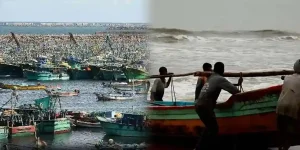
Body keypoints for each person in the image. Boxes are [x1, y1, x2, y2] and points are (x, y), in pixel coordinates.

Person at [194, 62, 240, 150]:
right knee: (214, 129)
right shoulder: (220, 79)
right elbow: (235, 91)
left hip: (198, 105)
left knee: (209, 128)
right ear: (222, 70)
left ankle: (199, 147)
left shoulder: (211, 77)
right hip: (205, 107)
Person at [276, 59, 300, 150]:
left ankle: (280, 147)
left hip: (280, 105)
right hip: (292, 107)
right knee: (290, 132)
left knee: (281, 130)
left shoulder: (287, 78)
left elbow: (284, 78)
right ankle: (286, 147)